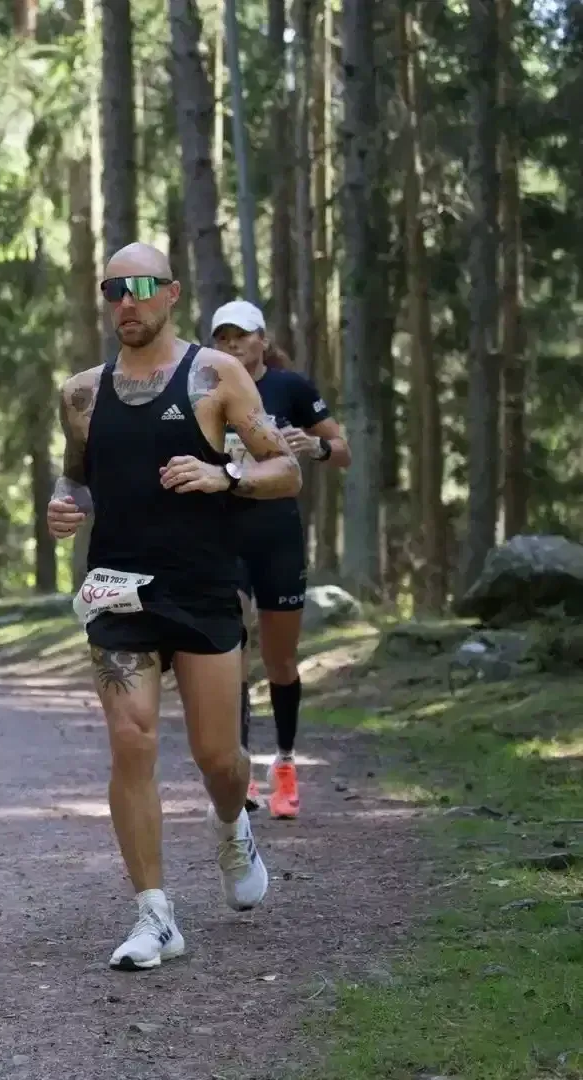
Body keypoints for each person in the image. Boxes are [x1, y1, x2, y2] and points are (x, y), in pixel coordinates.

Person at [47, 243, 301, 972]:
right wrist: (65, 510)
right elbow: (77, 484)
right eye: (112, 290)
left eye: (140, 287)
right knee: (131, 740)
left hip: (202, 585)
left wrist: (223, 476)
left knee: (218, 758)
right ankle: (154, 914)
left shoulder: (213, 375)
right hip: (117, 590)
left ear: (172, 293)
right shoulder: (81, 395)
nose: (126, 301)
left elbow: (283, 470)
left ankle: (232, 825)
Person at [211, 300, 350, 820]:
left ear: (262, 340)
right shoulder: (206, 388)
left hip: (279, 536)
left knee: (281, 661)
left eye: (240, 337)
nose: (231, 346)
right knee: (231, 654)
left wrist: (311, 447)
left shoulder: (291, 388)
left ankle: (285, 765)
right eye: (221, 338)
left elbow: (342, 448)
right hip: (224, 535)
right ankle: (239, 769)